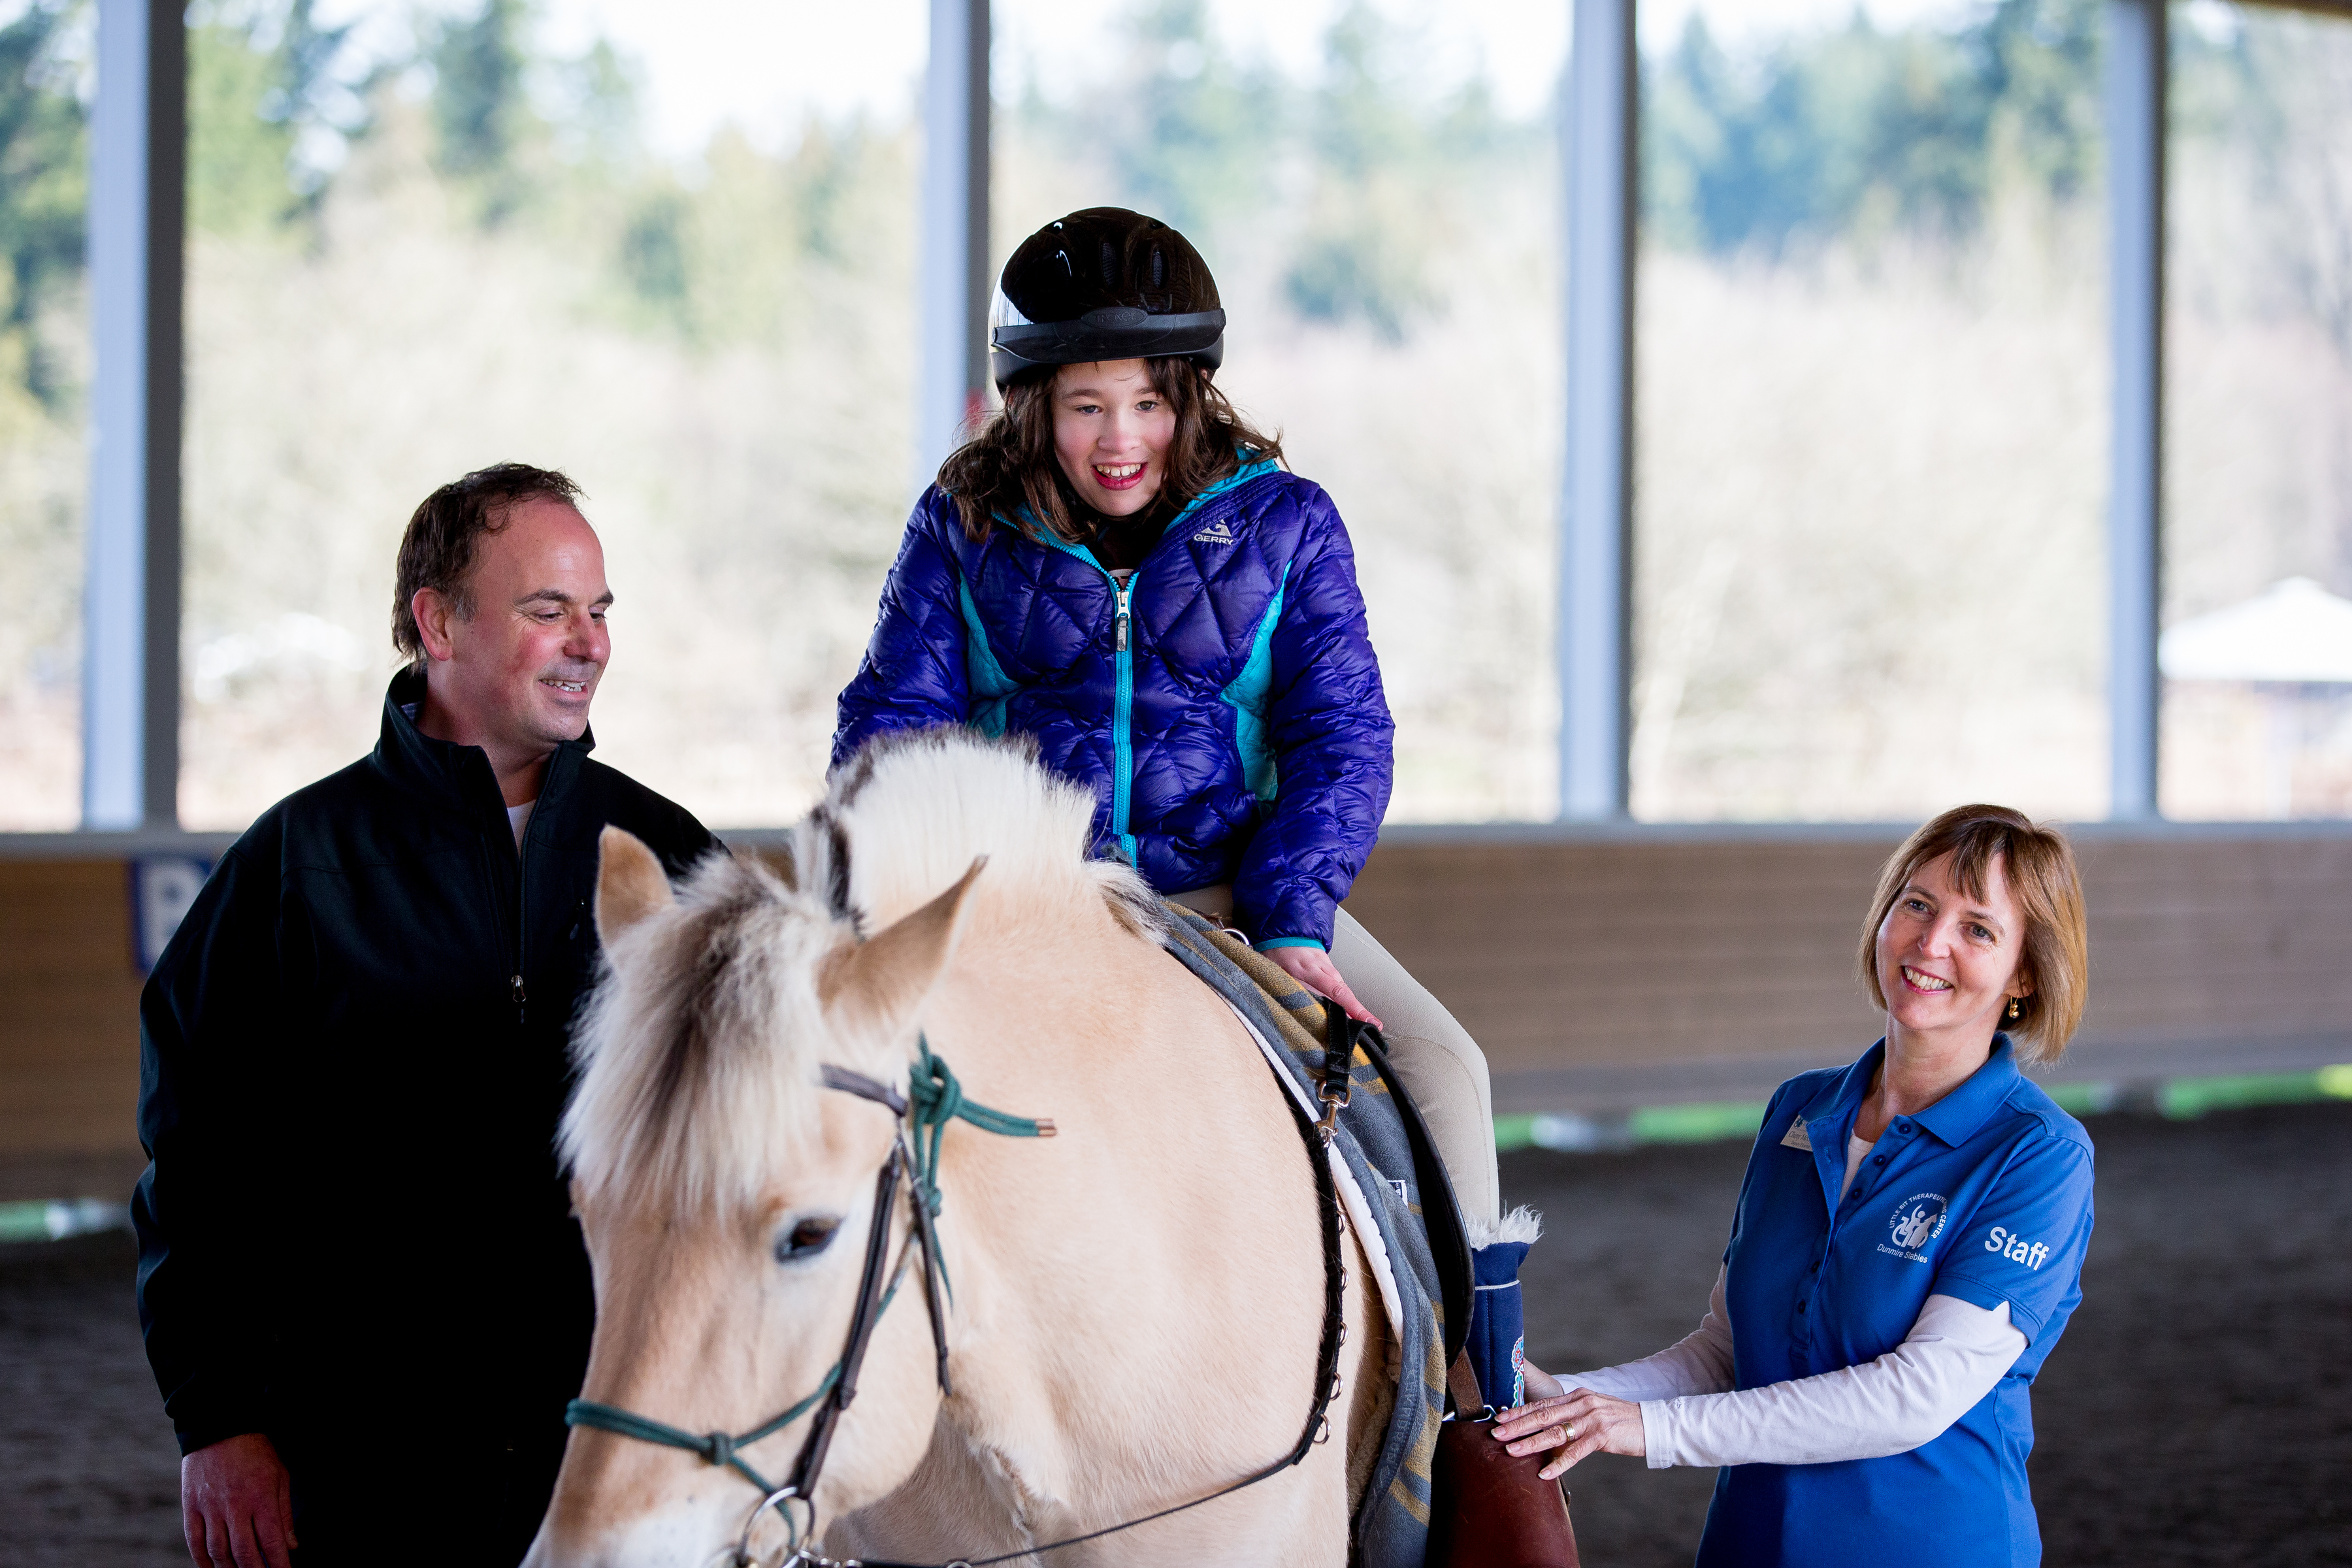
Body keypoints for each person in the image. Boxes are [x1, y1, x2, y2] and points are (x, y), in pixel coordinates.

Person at [831, 206, 1505, 1239]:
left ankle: (1483, 1379)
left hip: (1231, 888)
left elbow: (1343, 737)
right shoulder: (959, 525)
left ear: (1189, 397)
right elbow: (894, 732)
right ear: (1033, 406)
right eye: (1086, 406)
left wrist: (1291, 915)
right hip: (1035, 901)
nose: (1120, 440)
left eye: (1148, 401)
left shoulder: (1289, 525)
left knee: (1448, 1067)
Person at [134, 464, 717, 1568]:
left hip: (609, 1456)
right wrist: (218, 1422)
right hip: (361, 1470)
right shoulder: (299, 868)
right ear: (437, 621)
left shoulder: (670, 859)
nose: (587, 641)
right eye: (548, 611)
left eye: (598, 612)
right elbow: (197, 1170)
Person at [1495, 805, 2097, 1567]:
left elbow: (1918, 1395)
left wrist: (1646, 1431)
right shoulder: (1800, 1110)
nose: (1931, 942)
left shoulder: (2038, 1156)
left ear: (2025, 975)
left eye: (1979, 928)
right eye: (1917, 904)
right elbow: (1726, 1352)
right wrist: (1564, 1400)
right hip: (1749, 1546)